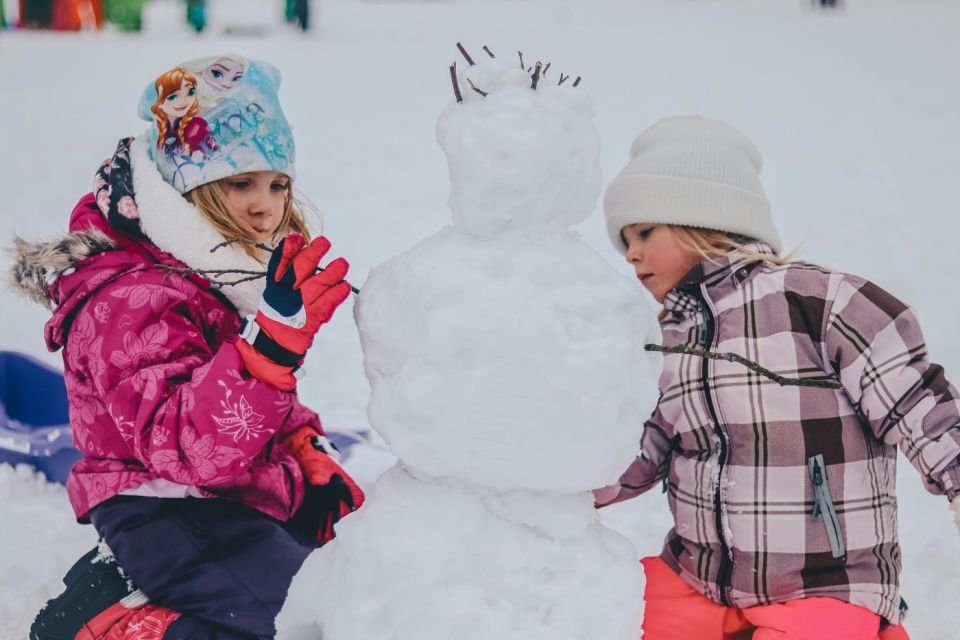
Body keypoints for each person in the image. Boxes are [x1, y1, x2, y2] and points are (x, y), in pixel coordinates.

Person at [13, 53, 364, 639]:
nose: (266, 205)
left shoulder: (213, 272)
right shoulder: (129, 299)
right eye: (240, 182)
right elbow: (185, 450)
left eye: (278, 184)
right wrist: (271, 353)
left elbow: (240, 393)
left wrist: (304, 445)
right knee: (308, 622)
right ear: (188, 187)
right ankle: (117, 624)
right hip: (166, 510)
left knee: (354, 575)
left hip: (236, 492)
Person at [597, 115, 960, 640]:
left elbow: (914, 399)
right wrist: (537, 484)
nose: (630, 254)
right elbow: (634, 453)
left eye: (643, 232)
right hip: (700, 579)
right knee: (606, 610)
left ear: (700, 217)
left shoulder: (819, 303)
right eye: (623, 241)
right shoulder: (662, 343)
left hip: (825, 582)